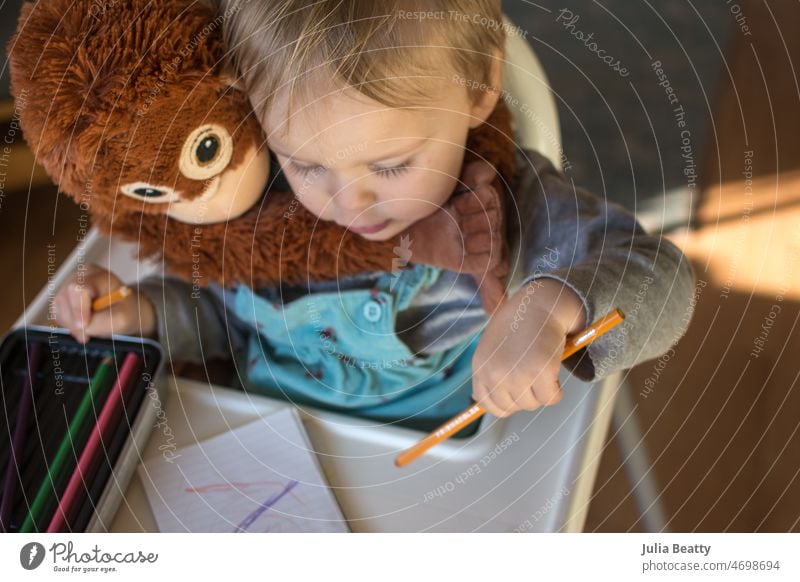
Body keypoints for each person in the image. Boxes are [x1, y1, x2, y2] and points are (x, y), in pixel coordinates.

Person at [53, 0, 695, 427]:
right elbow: (227, 319)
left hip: (441, 476)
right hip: (257, 458)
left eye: (389, 167)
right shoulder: (260, 203)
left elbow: (664, 279)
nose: (345, 202)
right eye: (304, 164)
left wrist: (551, 304)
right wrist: (144, 312)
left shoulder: (507, 204)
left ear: (476, 89)